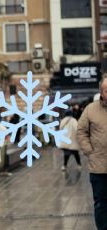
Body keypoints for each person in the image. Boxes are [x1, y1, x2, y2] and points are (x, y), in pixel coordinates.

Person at [77, 77, 107, 230]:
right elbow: (81, 131)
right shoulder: (91, 109)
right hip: (99, 167)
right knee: (101, 202)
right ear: (102, 92)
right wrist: (89, 151)